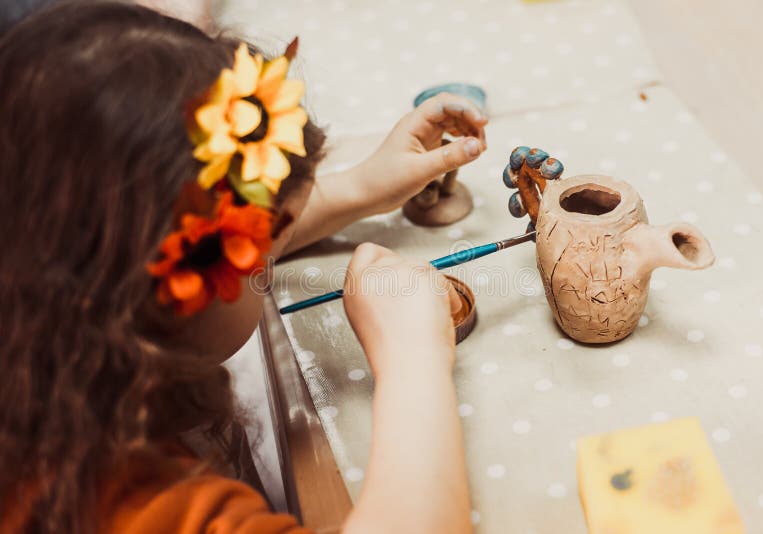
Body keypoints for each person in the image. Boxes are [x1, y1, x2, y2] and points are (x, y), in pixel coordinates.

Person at [0, 2, 489, 533]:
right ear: (171, 296)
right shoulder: (126, 505)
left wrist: (360, 188)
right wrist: (412, 358)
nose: (268, 255)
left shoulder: (40, 297)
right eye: (262, 249)